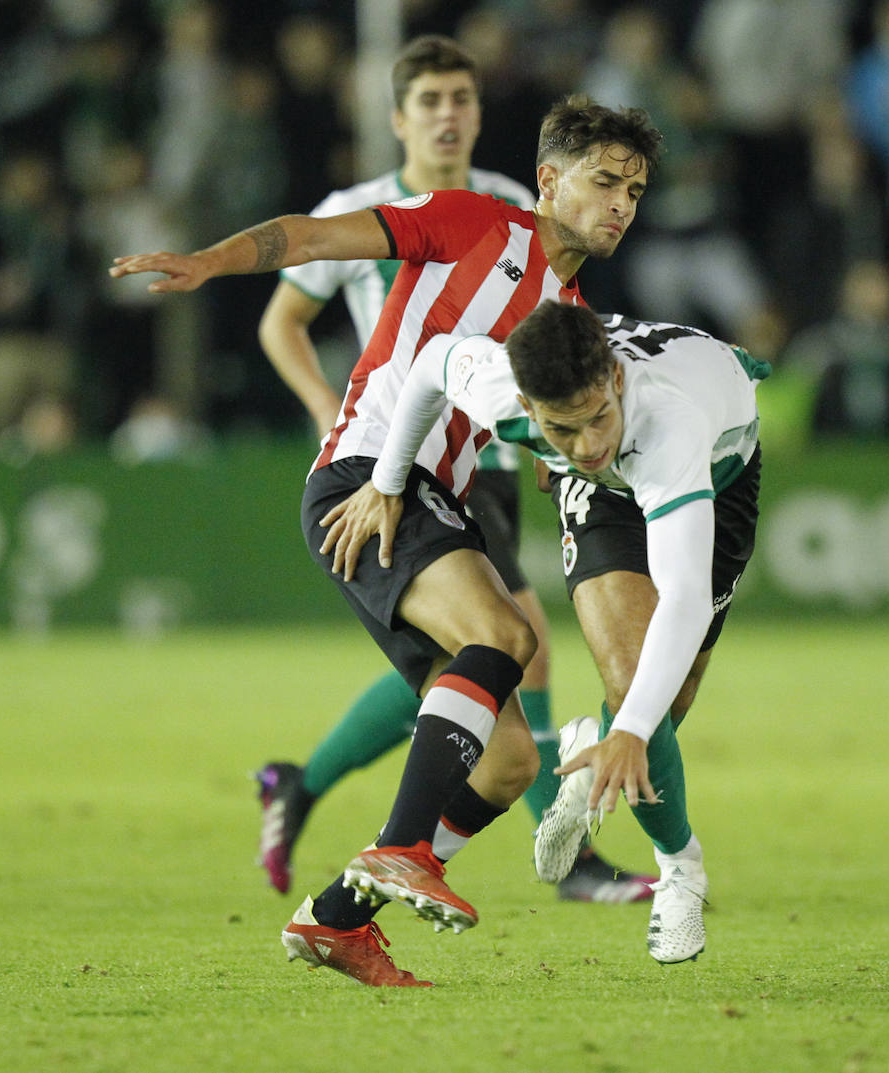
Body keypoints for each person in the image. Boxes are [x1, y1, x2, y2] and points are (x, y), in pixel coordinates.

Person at [110, 95, 663, 987]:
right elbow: (315, 238)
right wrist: (210, 262)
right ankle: (405, 847)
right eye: (605, 182)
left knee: (514, 757)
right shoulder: (472, 222)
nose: (622, 205)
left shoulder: (568, 311)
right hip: (365, 479)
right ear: (550, 180)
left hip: (433, 496)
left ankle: (336, 918)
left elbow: (552, 437)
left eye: (635, 190)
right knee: (509, 638)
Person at [252, 35, 651, 905]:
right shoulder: (374, 208)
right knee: (511, 644)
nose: (448, 114)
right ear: (398, 118)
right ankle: (545, 846)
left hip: (480, 456)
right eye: (429, 100)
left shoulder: (519, 206)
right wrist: (335, 419)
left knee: (479, 678)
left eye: (462, 98)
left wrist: (551, 442)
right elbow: (288, 319)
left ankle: (342, 885)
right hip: (383, 453)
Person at [338, 301, 768, 965]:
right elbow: (428, 367)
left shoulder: (668, 424)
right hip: (604, 500)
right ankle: (681, 871)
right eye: (563, 428)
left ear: (617, 382)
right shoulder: (499, 386)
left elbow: (682, 598)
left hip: (719, 472)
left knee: (664, 707)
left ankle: (596, 741)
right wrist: (387, 481)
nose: (589, 442)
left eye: (599, 416)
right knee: (635, 693)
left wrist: (627, 733)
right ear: (528, 409)